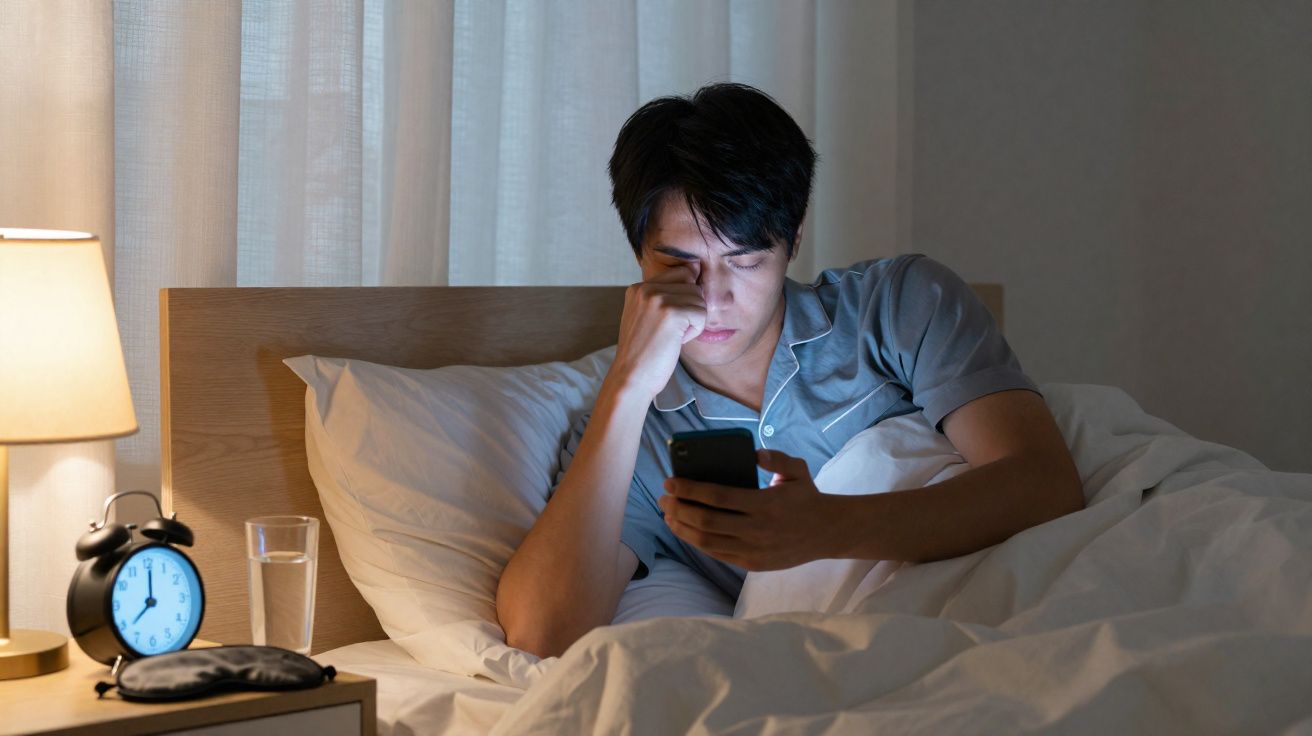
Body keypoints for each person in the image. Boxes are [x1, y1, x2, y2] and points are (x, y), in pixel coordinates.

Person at [496, 82, 1084, 658]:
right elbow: (540, 634)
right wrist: (626, 388)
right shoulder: (630, 442)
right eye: (679, 264)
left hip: (1005, 629)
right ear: (638, 255)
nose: (713, 298)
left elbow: (1045, 485)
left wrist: (826, 528)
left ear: (794, 240)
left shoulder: (897, 307)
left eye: (745, 261)